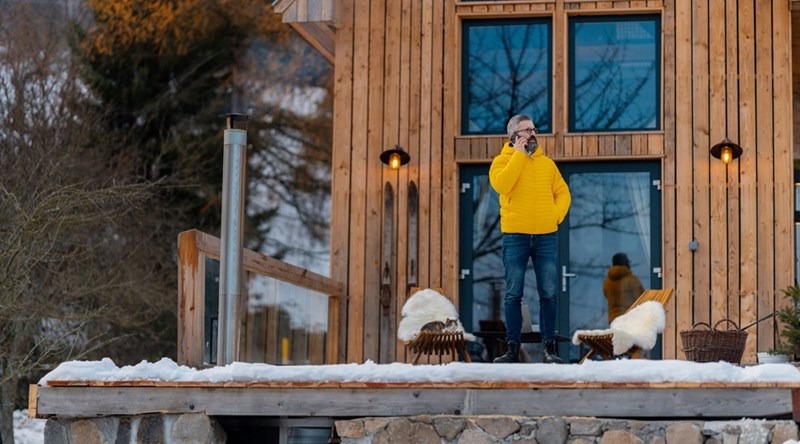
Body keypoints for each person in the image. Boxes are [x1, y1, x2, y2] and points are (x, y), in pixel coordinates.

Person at [489, 114, 571, 364]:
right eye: (527, 130)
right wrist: (518, 155)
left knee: (549, 293)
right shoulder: (502, 162)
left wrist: (555, 216)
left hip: (546, 235)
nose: (533, 134)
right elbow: (503, 185)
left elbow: (563, 192)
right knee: (513, 293)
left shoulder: (547, 165)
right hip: (515, 235)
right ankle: (512, 350)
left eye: (534, 130)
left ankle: (549, 350)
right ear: (514, 135)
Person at [603, 252, 645, 324]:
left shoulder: (606, 282)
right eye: (628, 262)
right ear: (625, 263)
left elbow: (606, 296)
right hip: (629, 318)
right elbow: (642, 298)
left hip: (613, 319)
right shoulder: (631, 280)